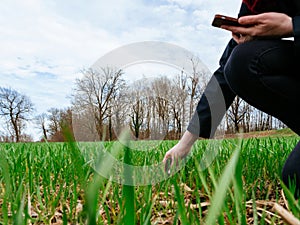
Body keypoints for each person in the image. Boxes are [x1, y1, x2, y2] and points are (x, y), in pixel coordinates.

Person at [163, 0, 300, 198]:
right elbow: (225, 75)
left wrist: (291, 26)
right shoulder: (254, 5)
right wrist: (185, 144)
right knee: (294, 179)